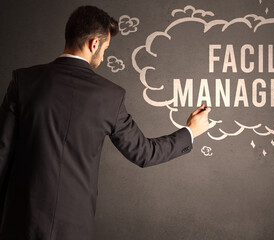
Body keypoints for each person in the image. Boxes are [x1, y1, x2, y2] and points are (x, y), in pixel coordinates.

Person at [0, 5, 211, 240]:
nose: (103, 57)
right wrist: (191, 131)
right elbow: (144, 153)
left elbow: (2, 153)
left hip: (20, 222)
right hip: (74, 227)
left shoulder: (23, 81)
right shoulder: (110, 96)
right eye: (105, 49)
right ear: (93, 44)